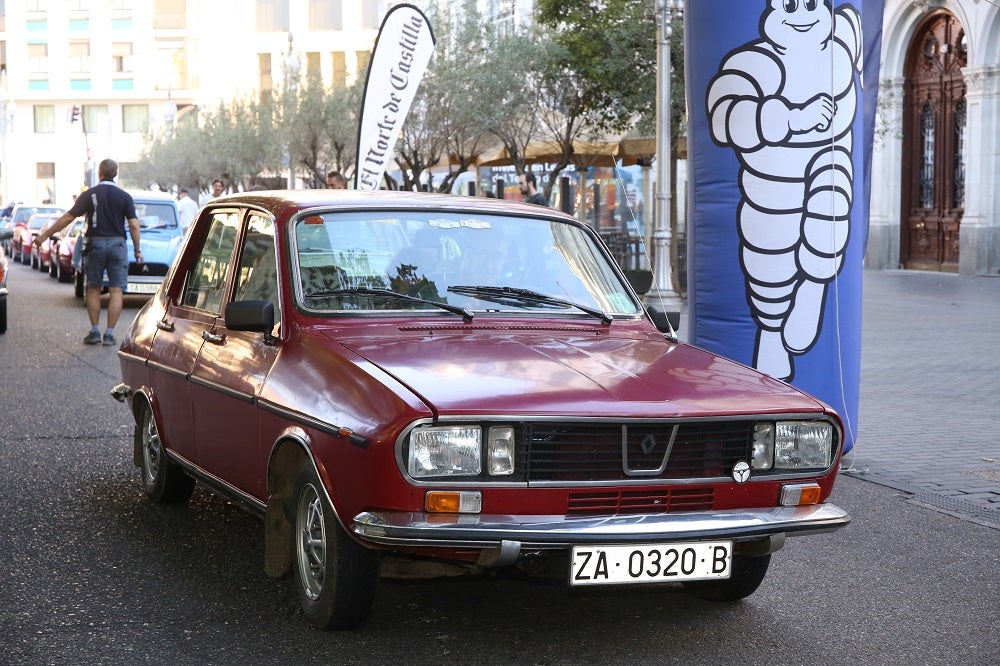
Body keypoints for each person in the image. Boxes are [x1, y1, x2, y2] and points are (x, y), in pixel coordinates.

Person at [34, 158, 141, 346]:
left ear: (99, 173)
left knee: (93, 287)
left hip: (95, 244)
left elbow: (68, 217)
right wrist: (138, 250)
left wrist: (45, 236)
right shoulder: (125, 197)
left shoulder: (89, 195)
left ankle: (94, 331)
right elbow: (133, 225)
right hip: (118, 245)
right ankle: (109, 334)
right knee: (116, 290)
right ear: (116, 174)